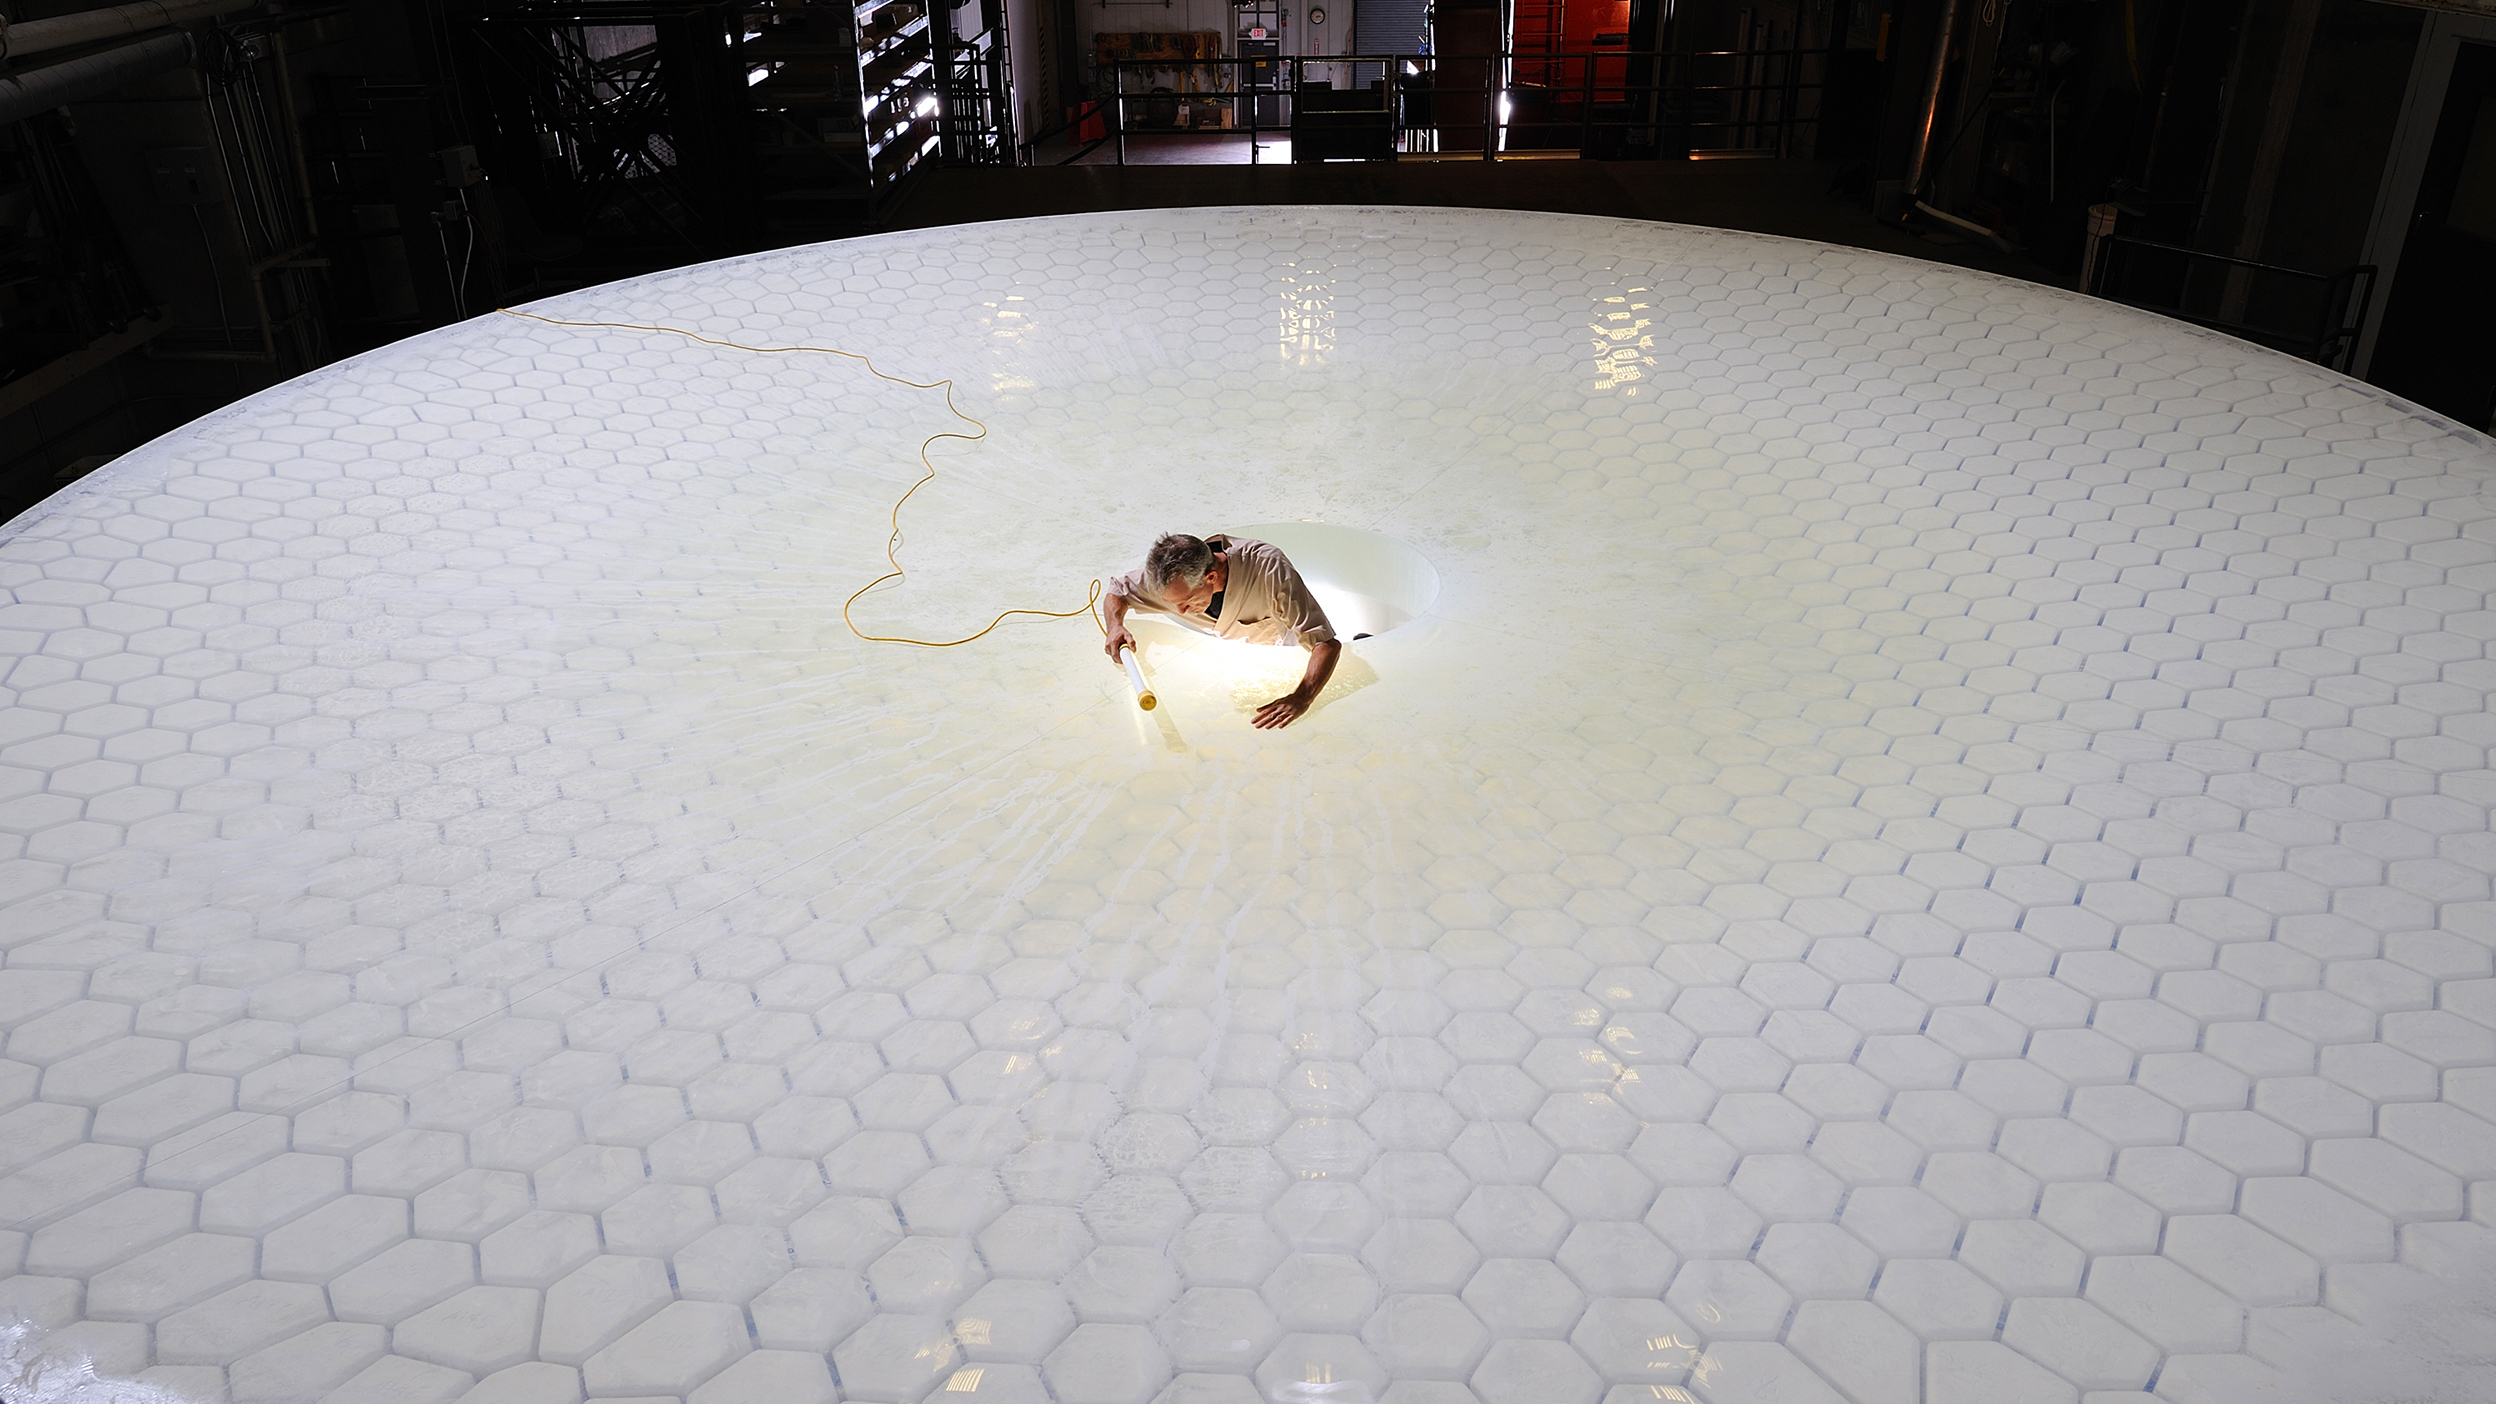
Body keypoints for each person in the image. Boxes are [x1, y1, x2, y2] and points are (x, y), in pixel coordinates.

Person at [1103, 532, 1342, 729]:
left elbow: (1326, 644)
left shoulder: (1269, 569)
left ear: (1211, 577)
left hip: (1284, 653)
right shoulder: (1172, 579)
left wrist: (1302, 697)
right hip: (1227, 659)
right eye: (1173, 604)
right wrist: (1115, 626)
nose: (1182, 611)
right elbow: (1117, 590)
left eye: (1186, 601)